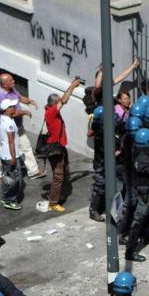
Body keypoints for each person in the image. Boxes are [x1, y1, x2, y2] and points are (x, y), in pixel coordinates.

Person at [0, 73, 42, 182]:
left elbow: (19, 98)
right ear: (4, 84)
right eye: (11, 81)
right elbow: (12, 114)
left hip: (17, 127)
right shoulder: (0, 97)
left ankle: (33, 172)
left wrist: (30, 101)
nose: (13, 81)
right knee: (1, 150)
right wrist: (25, 112)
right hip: (4, 129)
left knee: (26, 146)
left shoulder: (12, 89)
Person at [45, 78, 83, 213]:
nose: (61, 100)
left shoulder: (52, 110)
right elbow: (64, 101)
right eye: (58, 101)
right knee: (58, 176)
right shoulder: (51, 112)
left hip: (61, 147)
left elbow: (62, 100)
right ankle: (53, 202)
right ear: (55, 104)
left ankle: (58, 193)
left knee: (65, 171)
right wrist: (72, 86)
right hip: (56, 149)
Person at [125, 128, 149, 262]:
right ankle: (130, 252)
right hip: (145, 192)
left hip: (142, 189)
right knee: (138, 221)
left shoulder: (137, 150)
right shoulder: (144, 159)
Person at [0, 98, 26, 210]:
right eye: (12, 106)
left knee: (8, 178)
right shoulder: (8, 123)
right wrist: (14, 157)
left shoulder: (5, 119)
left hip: (5, 155)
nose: (15, 108)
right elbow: (11, 141)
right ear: (7, 109)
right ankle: (9, 200)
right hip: (10, 156)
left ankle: (5, 197)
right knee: (14, 180)